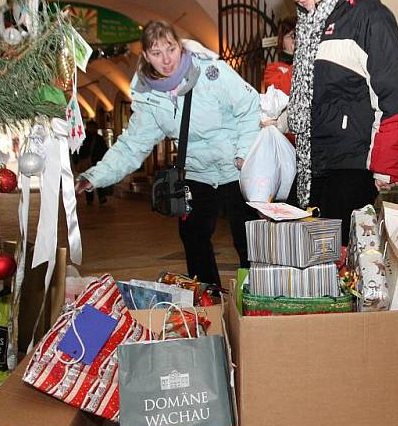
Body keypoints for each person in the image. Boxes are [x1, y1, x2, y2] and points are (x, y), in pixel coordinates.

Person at [74, 21, 260, 286]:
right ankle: (208, 296)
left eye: (170, 49)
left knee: (248, 239)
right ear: (147, 56)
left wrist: (243, 153)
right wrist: (96, 176)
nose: (166, 59)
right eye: (157, 53)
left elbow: (249, 106)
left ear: (180, 46)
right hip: (197, 171)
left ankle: (253, 298)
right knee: (193, 234)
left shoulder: (212, 72)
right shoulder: (150, 97)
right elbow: (132, 145)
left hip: (236, 167)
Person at [267, 0, 398, 243]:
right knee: (309, 255)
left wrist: (386, 164)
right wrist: (281, 120)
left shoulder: (368, 15)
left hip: (353, 163)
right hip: (313, 162)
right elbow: (313, 96)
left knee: (338, 258)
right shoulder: (310, 24)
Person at [77, 120, 109, 205]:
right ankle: (91, 198)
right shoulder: (85, 138)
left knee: (94, 180)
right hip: (91, 163)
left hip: (96, 163)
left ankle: (98, 198)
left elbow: (104, 150)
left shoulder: (96, 138)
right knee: (89, 181)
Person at [262, 16, 296, 95]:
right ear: (282, 42)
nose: (295, 40)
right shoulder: (272, 68)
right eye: (291, 36)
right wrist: (299, 59)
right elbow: (281, 91)